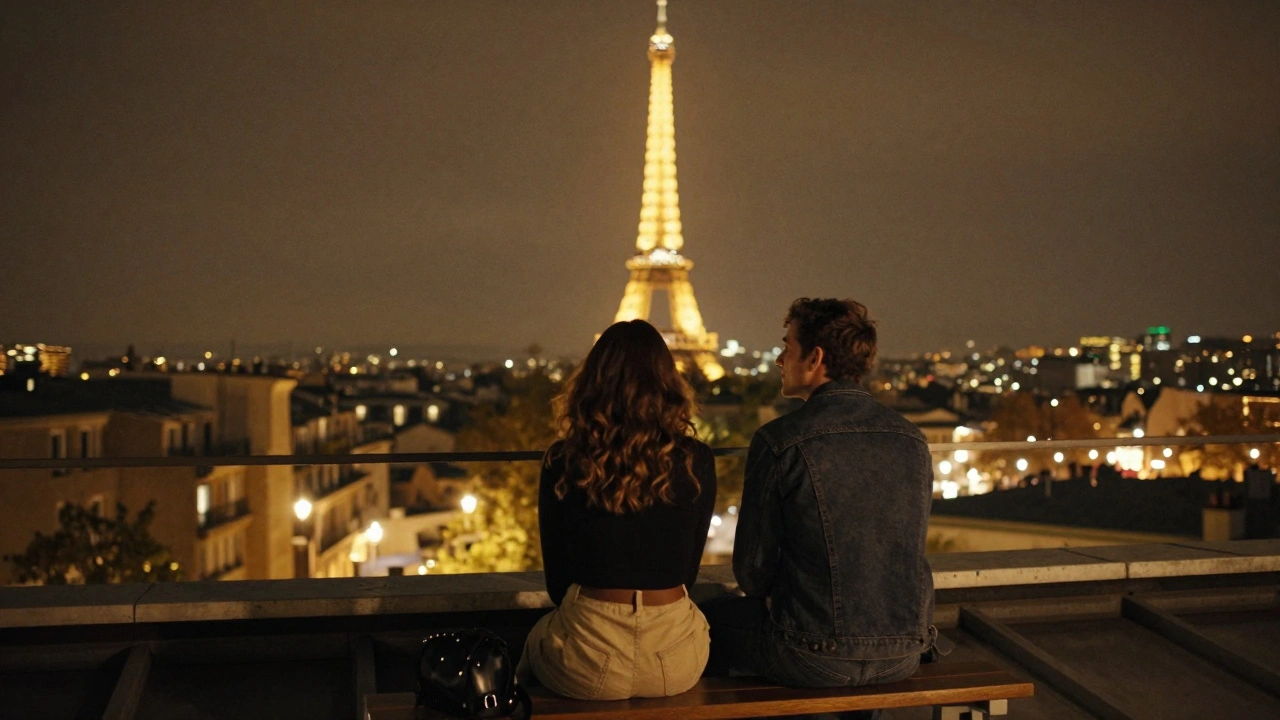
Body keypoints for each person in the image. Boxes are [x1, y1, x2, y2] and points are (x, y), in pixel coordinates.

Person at [703, 298, 935, 693]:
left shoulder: (780, 441)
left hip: (811, 652)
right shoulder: (912, 438)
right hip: (903, 653)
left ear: (815, 359)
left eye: (787, 348)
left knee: (703, 622)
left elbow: (752, 573)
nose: (779, 359)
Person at [517, 319, 718, 700]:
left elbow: (558, 585)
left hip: (587, 660)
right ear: (668, 382)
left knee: (533, 644)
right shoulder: (698, 460)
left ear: (591, 382)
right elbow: (686, 574)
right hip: (675, 662)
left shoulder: (563, 460)